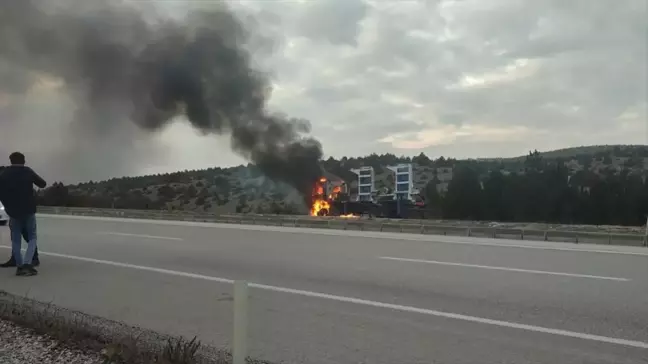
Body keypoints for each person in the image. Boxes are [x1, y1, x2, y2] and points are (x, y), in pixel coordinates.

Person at [0, 152, 47, 276]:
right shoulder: (27, 171)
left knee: (16, 239)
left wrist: (8, 206)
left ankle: (19, 266)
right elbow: (42, 183)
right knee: (32, 237)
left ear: (11, 161)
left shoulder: (4, 174)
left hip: (13, 211)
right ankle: (28, 263)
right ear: (23, 161)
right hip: (28, 209)